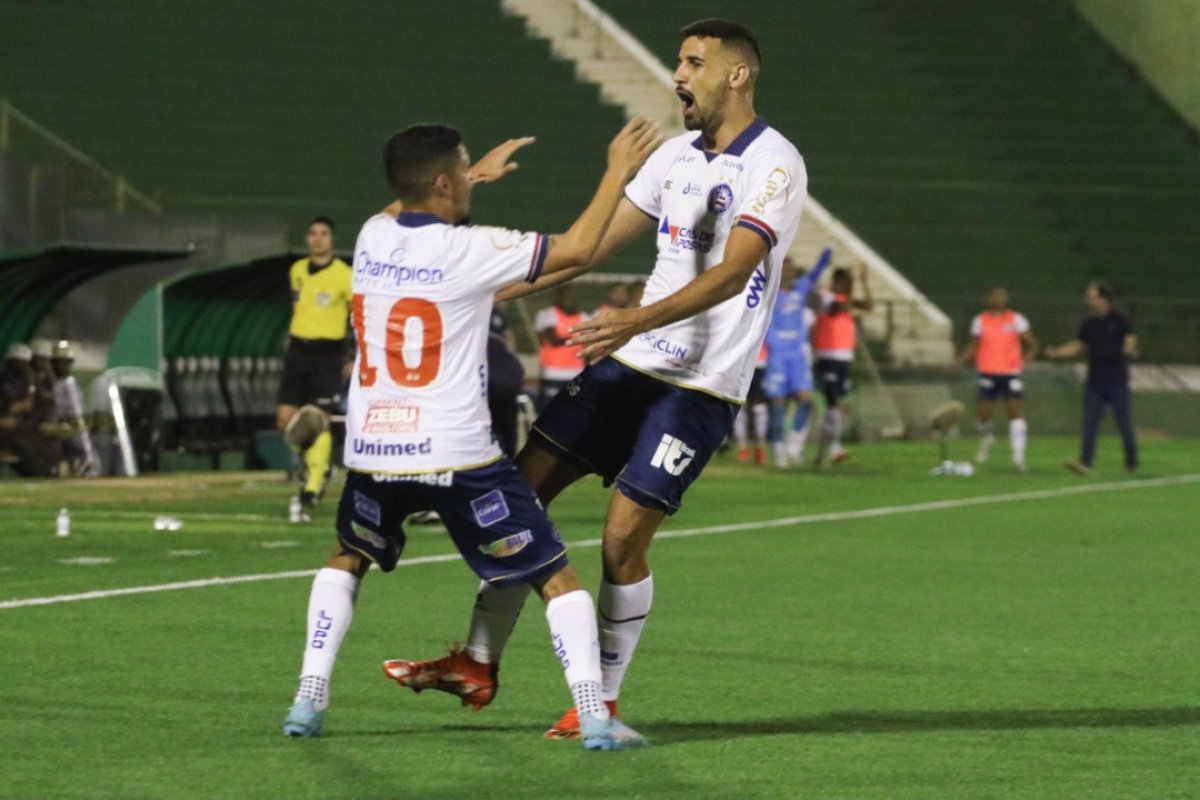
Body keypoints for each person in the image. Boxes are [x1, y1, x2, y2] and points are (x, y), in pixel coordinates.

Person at [392, 18, 807, 743]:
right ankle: (478, 663)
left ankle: (602, 702)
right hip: (628, 364)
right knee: (516, 503)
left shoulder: (775, 164)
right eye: (680, 61)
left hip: (701, 385)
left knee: (621, 541)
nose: (678, 74)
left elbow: (733, 271)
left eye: (694, 62)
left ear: (737, 75)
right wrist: (470, 297)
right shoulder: (674, 157)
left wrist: (635, 318)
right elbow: (582, 254)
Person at [282, 117, 662, 751]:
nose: (470, 178)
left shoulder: (373, 238)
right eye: (462, 170)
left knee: (347, 557)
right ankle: (594, 715)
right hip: (456, 452)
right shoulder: (471, 248)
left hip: (375, 449)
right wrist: (615, 170)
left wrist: (468, 175)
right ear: (442, 182)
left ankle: (309, 695)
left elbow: (399, 205)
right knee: (553, 574)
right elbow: (576, 250)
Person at [276, 216, 354, 509]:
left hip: (328, 351)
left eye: (323, 234)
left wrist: (351, 355)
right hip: (298, 349)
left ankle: (313, 482)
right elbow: (299, 307)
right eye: (313, 233)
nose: (318, 238)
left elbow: (356, 315)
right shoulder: (297, 270)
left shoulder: (344, 275)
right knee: (286, 421)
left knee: (317, 419)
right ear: (307, 238)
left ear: (332, 239)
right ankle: (318, 466)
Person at [1044, 281, 1138, 475]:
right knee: (1089, 422)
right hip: (1095, 381)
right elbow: (1078, 345)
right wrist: (1058, 352)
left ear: (1104, 299)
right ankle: (1085, 462)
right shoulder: (1088, 322)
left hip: (1117, 380)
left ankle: (1131, 462)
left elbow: (1130, 339)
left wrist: (1128, 349)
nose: (1089, 300)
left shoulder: (1119, 319)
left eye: (1093, 296)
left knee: (1123, 423)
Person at [956, 286, 1038, 472]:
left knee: (1014, 411)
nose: (999, 299)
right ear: (989, 298)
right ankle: (987, 438)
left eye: (1002, 295)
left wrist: (1027, 357)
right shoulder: (980, 320)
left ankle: (1018, 456)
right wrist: (961, 360)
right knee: (983, 414)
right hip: (988, 372)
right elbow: (974, 346)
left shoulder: (1016, 319)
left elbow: (1031, 343)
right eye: (995, 296)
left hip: (1010, 373)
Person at [763, 251, 829, 467]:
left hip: (798, 355)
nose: (788, 273)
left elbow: (812, 277)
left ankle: (794, 445)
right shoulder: (769, 293)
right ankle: (779, 450)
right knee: (778, 403)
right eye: (785, 269)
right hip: (778, 353)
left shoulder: (800, 290)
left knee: (806, 400)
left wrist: (822, 262)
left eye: (791, 269)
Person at [812, 265, 872, 466]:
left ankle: (824, 452)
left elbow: (869, 306)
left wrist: (864, 282)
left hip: (844, 358)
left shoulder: (844, 298)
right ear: (838, 282)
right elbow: (842, 307)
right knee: (833, 402)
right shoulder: (826, 297)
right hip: (828, 357)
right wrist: (853, 290)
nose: (850, 287)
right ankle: (833, 448)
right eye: (849, 282)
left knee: (835, 407)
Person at [535, 285, 589, 409]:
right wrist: (578, 337)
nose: (568, 299)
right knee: (549, 412)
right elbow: (553, 339)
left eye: (571, 295)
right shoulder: (547, 315)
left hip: (576, 373)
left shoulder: (584, 318)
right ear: (557, 297)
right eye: (565, 295)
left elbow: (589, 345)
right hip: (553, 373)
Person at [731, 342, 768, 465]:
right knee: (740, 405)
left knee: (759, 406)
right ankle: (743, 448)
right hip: (740, 362)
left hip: (760, 363)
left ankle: (760, 448)